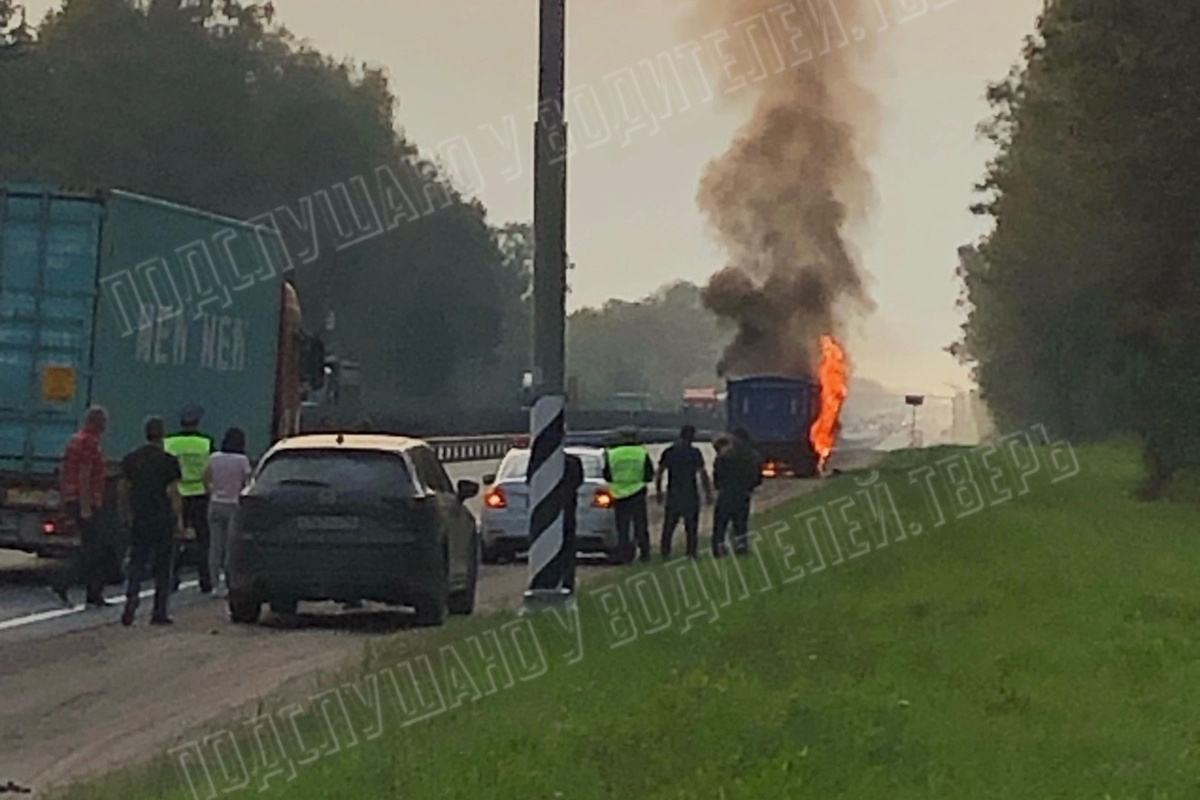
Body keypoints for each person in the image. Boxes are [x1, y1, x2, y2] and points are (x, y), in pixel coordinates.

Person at [119, 416, 184, 626]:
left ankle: (131, 599)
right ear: (162, 434)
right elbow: (173, 492)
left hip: (140, 517)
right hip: (162, 518)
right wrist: (179, 519)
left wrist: (128, 514)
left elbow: (124, 490)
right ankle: (159, 611)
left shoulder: (131, 459)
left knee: (137, 562)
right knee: (163, 566)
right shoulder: (168, 461)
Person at [53, 406, 112, 608]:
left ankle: (93, 593)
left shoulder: (75, 439)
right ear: (97, 422)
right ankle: (65, 582)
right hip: (85, 499)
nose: (106, 426)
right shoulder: (90, 442)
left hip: (73, 497)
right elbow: (85, 474)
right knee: (93, 549)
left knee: (92, 548)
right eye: (104, 422)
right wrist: (86, 505)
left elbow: (66, 470)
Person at [165, 405, 214, 593]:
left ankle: (172, 578)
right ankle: (205, 580)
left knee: (175, 538)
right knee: (203, 539)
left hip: (178, 492)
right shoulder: (205, 443)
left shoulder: (169, 443)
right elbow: (209, 471)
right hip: (199, 493)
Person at [203, 427, 252, 598]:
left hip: (216, 504)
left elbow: (206, 479)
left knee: (215, 546)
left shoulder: (214, 458)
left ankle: (214, 584)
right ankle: (229, 583)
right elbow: (248, 484)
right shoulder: (242, 460)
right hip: (234, 505)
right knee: (231, 548)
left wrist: (213, 492)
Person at [655, 425, 713, 560]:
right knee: (691, 527)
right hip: (690, 492)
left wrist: (658, 491)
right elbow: (702, 473)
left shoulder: (669, 451)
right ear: (692, 436)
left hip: (674, 492)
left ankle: (665, 551)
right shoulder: (695, 452)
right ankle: (691, 552)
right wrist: (708, 492)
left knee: (669, 525)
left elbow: (660, 472)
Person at [602, 427, 655, 563]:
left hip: (619, 493)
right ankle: (645, 554)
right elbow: (649, 475)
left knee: (622, 527)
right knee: (640, 525)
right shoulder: (642, 452)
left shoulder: (612, 453)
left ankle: (625, 555)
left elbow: (607, 475)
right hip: (637, 491)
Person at [712, 427, 763, 557]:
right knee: (741, 523)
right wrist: (750, 486)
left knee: (720, 524)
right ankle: (741, 546)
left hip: (726, 492)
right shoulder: (753, 455)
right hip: (743, 493)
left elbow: (717, 474)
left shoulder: (724, 454)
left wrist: (719, 486)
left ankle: (718, 548)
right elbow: (757, 478)